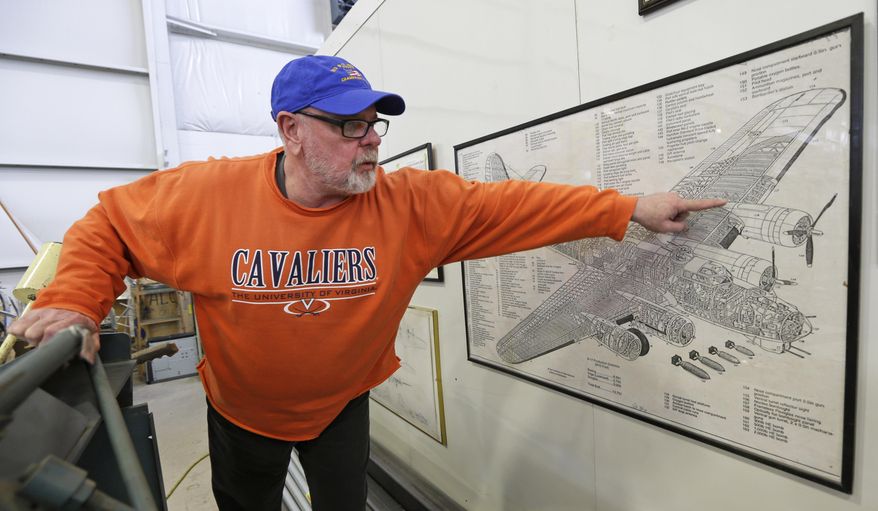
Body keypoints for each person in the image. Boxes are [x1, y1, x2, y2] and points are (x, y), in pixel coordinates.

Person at [9, 55, 725, 510]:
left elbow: (515, 206)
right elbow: (108, 226)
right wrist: (73, 299)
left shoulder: (409, 204)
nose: (372, 140)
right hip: (241, 414)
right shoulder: (207, 198)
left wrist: (627, 209)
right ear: (290, 129)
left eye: (374, 124)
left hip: (340, 408)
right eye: (349, 126)